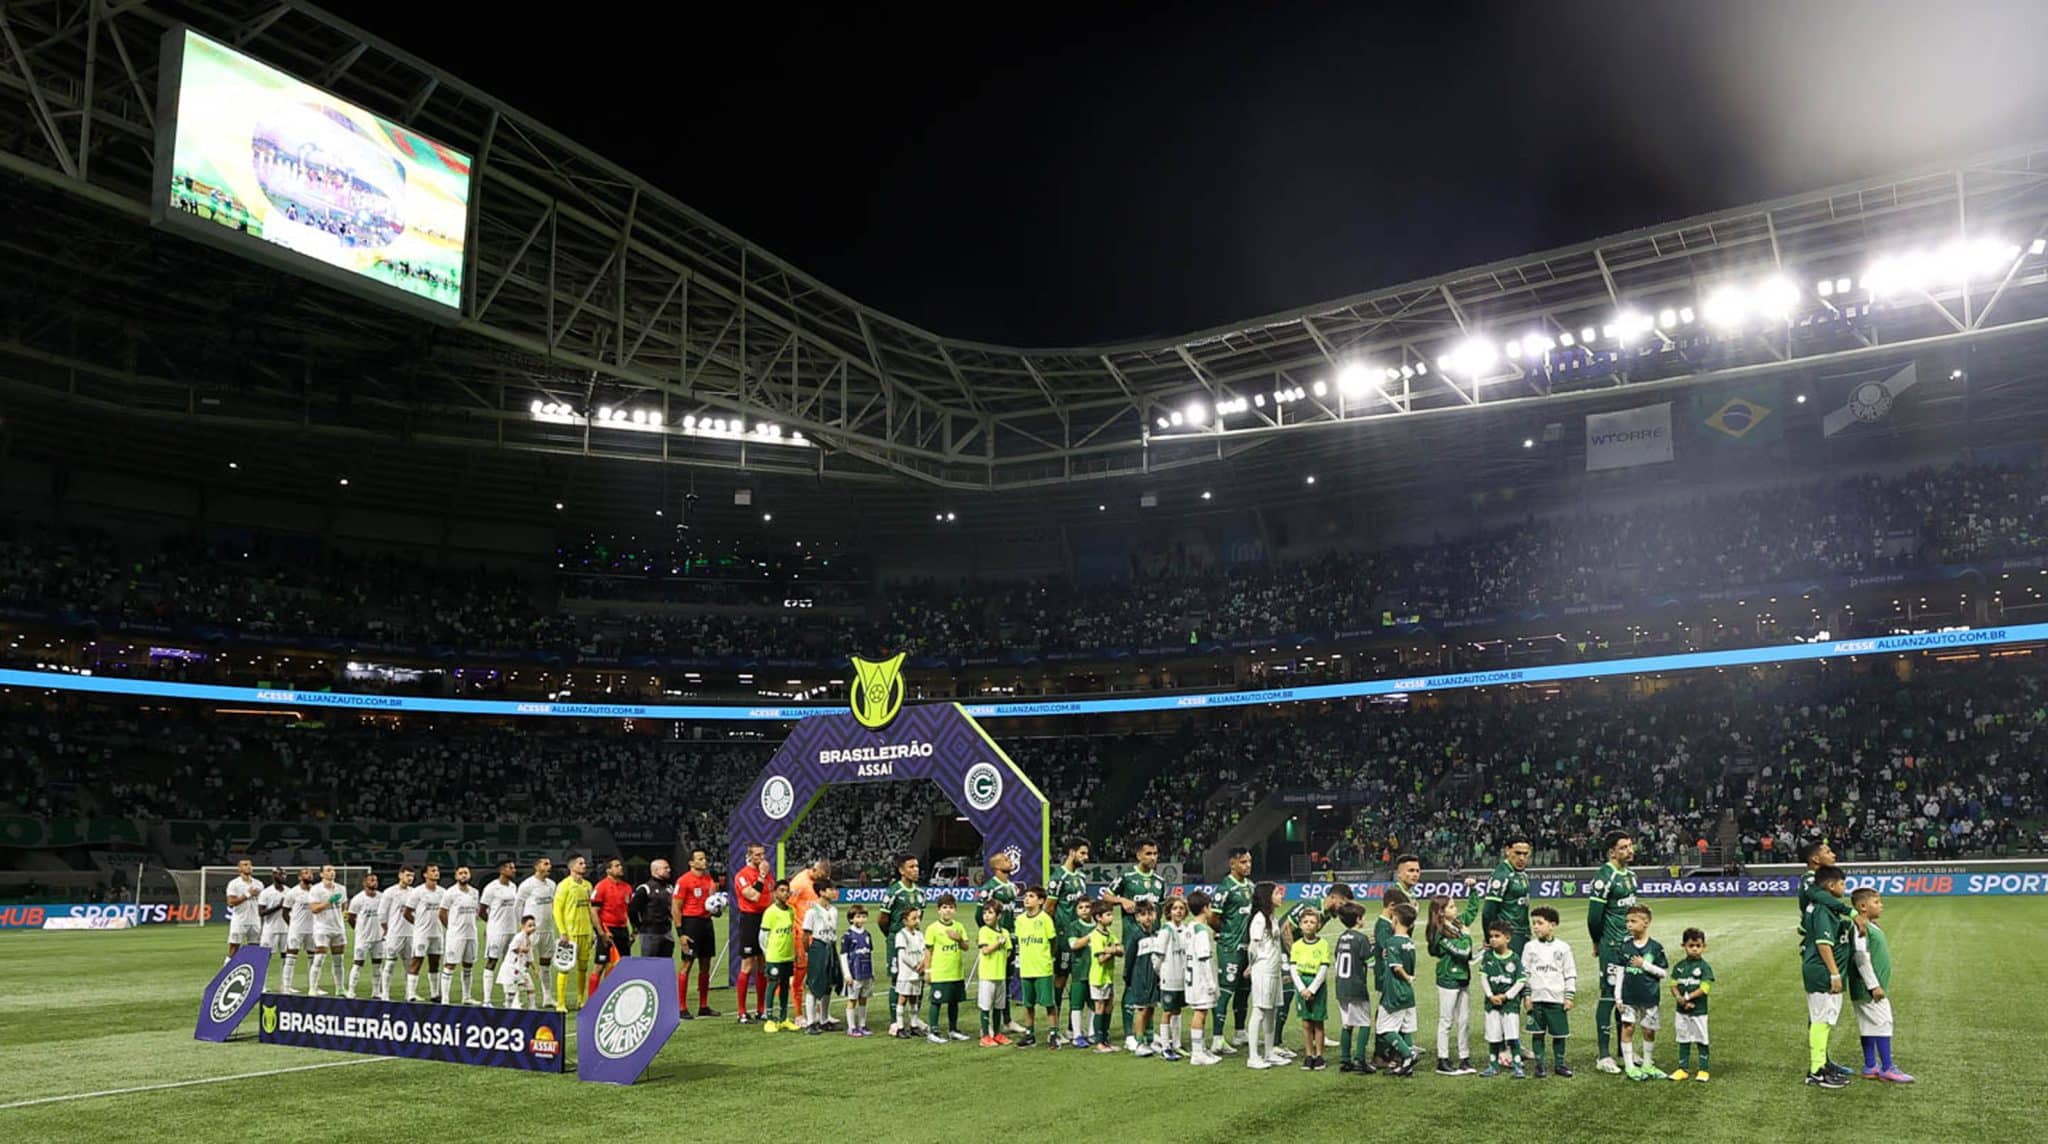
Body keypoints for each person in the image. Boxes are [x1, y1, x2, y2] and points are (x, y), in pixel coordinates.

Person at [1103, 837, 1168, 1050]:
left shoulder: (1159, 881)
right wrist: (1122, 900)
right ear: (1138, 855)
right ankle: (1130, 1034)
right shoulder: (1127, 877)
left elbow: (1162, 908)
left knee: (1152, 984)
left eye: (1155, 854)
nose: (1153, 858)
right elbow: (1106, 895)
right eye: (1148, 853)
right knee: (1132, 983)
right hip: (1134, 938)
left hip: (1155, 939)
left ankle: (1148, 1032)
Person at [1586, 829, 1638, 1073]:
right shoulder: (1604, 877)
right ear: (1612, 852)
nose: (1630, 850)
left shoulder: (1631, 875)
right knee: (1608, 996)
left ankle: (1623, 1048)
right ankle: (1603, 1055)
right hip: (1612, 946)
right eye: (1624, 847)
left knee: (1626, 997)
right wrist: (1598, 942)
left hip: (1628, 945)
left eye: (1630, 846)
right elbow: (1594, 917)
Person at [1849, 888, 1912, 1083]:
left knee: (1868, 1025)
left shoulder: (1869, 925)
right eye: (1876, 902)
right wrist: (1873, 985)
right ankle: (1887, 1067)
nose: (1881, 905)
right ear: (1862, 906)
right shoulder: (1860, 927)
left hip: (1864, 987)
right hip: (1867, 987)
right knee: (1884, 1023)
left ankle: (1870, 1066)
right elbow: (1860, 957)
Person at [1801, 864, 1853, 1089]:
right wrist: (1834, 974)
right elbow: (1823, 943)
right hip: (1821, 971)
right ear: (1831, 886)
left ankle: (1822, 1064)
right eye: (1842, 884)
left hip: (1817, 969)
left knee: (1821, 1020)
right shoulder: (1823, 909)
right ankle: (1816, 1071)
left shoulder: (1820, 906)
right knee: (1821, 1021)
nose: (1845, 888)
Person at [1426, 892, 1483, 1075]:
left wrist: (1473, 890)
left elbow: (1472, 911)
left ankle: (1464, 1057)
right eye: (1451, 906)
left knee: (1464, 1020)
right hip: (1448, 979)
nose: (1455, 909)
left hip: (1462, 977)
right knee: (1446, 1020)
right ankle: (1442, 1060)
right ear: (1441, 912)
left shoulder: (1456, 923)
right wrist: (1466, 936)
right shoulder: (1440, 933)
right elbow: (1463, 951)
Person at [1522, 905, 1577, 1078]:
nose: (1535, 926)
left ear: (1552, 925)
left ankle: (1560, 1064)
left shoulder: (1563, 948)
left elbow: (1570, 973)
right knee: (1537, 1033)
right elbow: (1524, 973)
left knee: (1559, 1034)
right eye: (1533, 923)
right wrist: (1527, 995)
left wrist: (1569, 996)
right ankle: (1540, 1065)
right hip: (1536, 999)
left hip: (1556, 999)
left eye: (1539, 923)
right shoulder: (1530, 947)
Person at [1616, 904, 1669, 1080]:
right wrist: (1618, 996)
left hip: (1649, 996)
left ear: (1646, 923)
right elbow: (1619, 972)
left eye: (1633, 921)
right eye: (1627, 921)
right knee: (1627, 1027)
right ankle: (1630, 1066)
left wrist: (1644, 965)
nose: (1629, 925)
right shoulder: (1625, 947)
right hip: (1628, 996)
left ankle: (1647, 1064)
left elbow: (1663, 973)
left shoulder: (1655, 948)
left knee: (1648, 1030)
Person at [1212, 846, 1256, 1056]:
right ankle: (1217, 1038)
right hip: (1230, 947)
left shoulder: (1251, 886)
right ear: (1232, 863)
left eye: (1249, 861)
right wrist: (1225, 933)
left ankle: (1240, 1032)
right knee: (1225, 991)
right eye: (1243, 862)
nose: (1247, 865)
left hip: (1248, 949)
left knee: (1243, 991)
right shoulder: (1225, 888)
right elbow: (1213, 917)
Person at [1049, 837, 1091, 1043]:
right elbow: (1049, 908)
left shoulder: (1081, 877)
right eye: (1082, 853)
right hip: (1064, 938)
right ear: (1072, 852)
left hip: (1081, 936)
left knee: (1080, 981)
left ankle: (1071, 1027)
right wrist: (1055, 937)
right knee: (1060, 979)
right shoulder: (1058, 877)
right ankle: (1054, 1027)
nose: (1086, 857)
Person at [978, 852, 1023, 1035]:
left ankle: (1007, 1020)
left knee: (1008, 979)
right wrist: (989, 934)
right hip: (996, 939)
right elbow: (979, 914)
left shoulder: (1012, 887)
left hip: (1010, 937)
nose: (1010, 861)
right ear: (996, 867)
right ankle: (988, 1026)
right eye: (1005, 859)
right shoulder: (990, 888)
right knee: (995, 981)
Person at [1376, 901, 1421, 1077]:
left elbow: (1396, 967)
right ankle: (1406, 1065)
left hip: (1395, 991)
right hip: (1408, 993)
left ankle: (1408, 1055)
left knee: (1384, 1029)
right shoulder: (1410, 942)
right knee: (1405, 1028)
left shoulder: (1392, 941)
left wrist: (1406, 976)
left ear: (1395, 920)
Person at [673, 849, 719, 1018]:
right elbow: (676, 908)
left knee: (705, 964)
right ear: (691, 863)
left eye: (705, 858)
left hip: (707, 923)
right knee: (687, 964)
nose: (704, 861)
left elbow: (712, 903)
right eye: (700, 859)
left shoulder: (709, 880)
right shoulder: (684, 881)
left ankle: (704, 1005)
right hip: (691, 923)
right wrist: (681, 933)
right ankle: (681, 1007)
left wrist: (717, 910)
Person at [1479, 923, 1528, 1078]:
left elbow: (1521, 981)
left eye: (1497, 936)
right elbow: (1483, 977)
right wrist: (1490, 996)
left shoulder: (1514, 958)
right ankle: (1493, 1064)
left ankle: (1517, 1064)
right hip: (1491, 1004)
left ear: (1507, 938)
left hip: (1509, 1004)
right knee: (1493, 1035)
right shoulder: (1487, 957)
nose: (1493, 940)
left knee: (1512, 1035)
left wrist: (1506, 996)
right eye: (1491, 936)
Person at [878, 853, 923, 1024]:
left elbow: (919, 918)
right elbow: (882, 920)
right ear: (901, 870)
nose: (916, 870)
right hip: (897, 941)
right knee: (897, 978)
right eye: (911, 867)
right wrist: (893, 936)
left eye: (916, 866)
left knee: (917, 976)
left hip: (915, 940)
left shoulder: (920, 893)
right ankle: (895, 1021)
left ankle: (914, 1019)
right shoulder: (894, 892)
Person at [1244, 880, 1284, 1070]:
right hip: (1264, 970)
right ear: (1268, 897)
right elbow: (1253, 945)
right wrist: (1252, 965)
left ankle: (1269, 1052)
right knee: (1259, 1011)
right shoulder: (1259, 919)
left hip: (1273, 969)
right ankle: (1253, 1056)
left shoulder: (1272, 917)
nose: (1281, 896)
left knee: (1271, 1011)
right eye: (1277, 893)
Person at [551, 855, 599, 1013]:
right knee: (564, 968)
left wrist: (593, 931)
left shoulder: (588, 885)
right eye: (581, 863)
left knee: (583, 968)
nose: (585, 865)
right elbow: (557, 910)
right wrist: (563, 931)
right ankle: (560, 1002)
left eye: (584, 863)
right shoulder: (564, 885)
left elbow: (591, 910)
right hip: (570, 935)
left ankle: (581, 999)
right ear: (572, 867)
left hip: (585, 932)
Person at [1332, 900, 1375, 1074]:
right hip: (1356, 987)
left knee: (1347, 1024)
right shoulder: (1361, 938)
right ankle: (1360, 1059)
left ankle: (1345, 1060)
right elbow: (1371, 963)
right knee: (1364, 1023)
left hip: (1341, 987)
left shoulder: (1342, 937)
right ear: (1358, 919)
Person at [788, 858, 831, 1030]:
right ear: (815, 870)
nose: (824, 879)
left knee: (822, 975)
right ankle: (799, 1014)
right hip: (802, 936)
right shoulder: (799, 883)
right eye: (822, 875)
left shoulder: (819, 886)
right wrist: (795, 932)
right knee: (800, 976)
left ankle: (821, 1013)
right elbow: (789, 906)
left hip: (820, 937)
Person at [732, 843, 773, 1024]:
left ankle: (761, 1009)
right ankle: (741, 1011)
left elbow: (770, 895)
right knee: (747, 964)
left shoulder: (768, 876)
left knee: (763, 964)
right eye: (757, 855)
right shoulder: (742, 876)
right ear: (749, 856)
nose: (761, 859)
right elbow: (753, 896)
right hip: (749, 919)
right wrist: (762, 876)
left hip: (766, 918)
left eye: (762, 855)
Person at [922, 893, 971, 1043]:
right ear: (938, 910)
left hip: (956, 972)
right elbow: (928, 951)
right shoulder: (933, 928)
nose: (947, 911)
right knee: (936, 1001)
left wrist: (959, 939)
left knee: (954, 1001)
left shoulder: (959, 926)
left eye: (951, 907)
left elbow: (966, 947)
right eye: (944, 907)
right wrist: (927, 971)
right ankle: (933, 1031)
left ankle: (953, 1029)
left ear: (955, 910)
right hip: (940, 972)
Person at [1287, 906, 1332, 1071]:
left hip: (1316, 985)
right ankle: (1309, 1055)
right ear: (1300, 925)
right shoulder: (1297, 945)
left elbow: (1323, 968)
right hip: (1302, 984)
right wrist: (1301, 989)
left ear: (1318, 925)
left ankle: (1319, 1055)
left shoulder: (1323, 944)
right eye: (1305, 922)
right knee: (1306, 1022)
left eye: (1312, 922)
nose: (1308, 925)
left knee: (1318, 1022)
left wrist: (1312, 989)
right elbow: (1293, 968)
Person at [1014, 886, 1058, 1047]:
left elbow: (1053, 941)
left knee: (1048, 1003)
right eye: (1026, 896)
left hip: (1042, 968)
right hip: (1026, 968)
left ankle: (1053, 1033)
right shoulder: (1020, 920)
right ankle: (1029, 1034)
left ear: (1040, 901)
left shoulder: (1045, 919)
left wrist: (1048, 958)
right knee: (1028, 1004)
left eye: (1031, 896)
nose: (1026, 899)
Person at [1670, 926, 1714, 1083]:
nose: (1695, 949)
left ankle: (1703, 1069)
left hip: (1699, 1011)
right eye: (1691, 946)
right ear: (1684, 946)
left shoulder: (1704, 967)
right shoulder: (1679, 966)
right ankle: (1682, 1069)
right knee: (1683, 1038)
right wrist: (1679, 998)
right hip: (1681, 1011)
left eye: (1698, 946)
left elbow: (1705, 988)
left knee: (1701, 1039)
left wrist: (1687, 997)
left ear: (1704, 946)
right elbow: (1673, 984)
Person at [799, 878, 842, 1036]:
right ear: (822, 892)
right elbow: (806, 934)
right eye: (830, 889)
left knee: (829, 983)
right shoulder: (812, 911)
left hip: (830, 946)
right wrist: (808, 952)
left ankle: (824, 1019)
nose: (834, 892)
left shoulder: (834, 910)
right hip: (818, 946)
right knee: (814, 984)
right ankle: (811, 1022)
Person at [1183, 890, 1221, 1066]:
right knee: (1200, 1013)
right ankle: (1197, 1053)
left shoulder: (1189, 927)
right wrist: (1211, 983)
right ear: (1206, 908)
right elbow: (1204, 958)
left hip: (1192, 977)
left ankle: (1201, 1048)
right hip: (1200, 979)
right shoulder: (1201, 931)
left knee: (1201, 1012)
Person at [479, 861, 523, 1008]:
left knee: (511, 963)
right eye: (510, 867)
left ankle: (509, 999)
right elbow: (482, 910)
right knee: (492, 962)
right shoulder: (491, 888)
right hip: (497, 931)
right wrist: (492, 924)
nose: (513, 870)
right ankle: (486, 1000)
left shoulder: (513, 887)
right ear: (502, 869)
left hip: (511, 930)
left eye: (513, 867)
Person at [516, 858, 558, 1009]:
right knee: (523, 965)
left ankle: (547, 997)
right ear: (536, 866)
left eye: (549, 863)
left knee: (546, 965)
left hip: (548, 930)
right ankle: (517, 998)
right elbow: (518, 906)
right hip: (532, 932)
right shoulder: (527, 885)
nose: (549, 866)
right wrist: (521, 928)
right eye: (545, 864)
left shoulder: (552, 885)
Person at [1086, 895, 1125, 1054]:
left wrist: (1113, 950)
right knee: (1100, 1007)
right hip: (1098, 977)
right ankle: (1099, 1041)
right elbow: (1101, 959)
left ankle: (1105, 1039)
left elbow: (1120, 950)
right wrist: (1112, 951)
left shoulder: (1109, 934)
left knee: (1109, 1005)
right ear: (1098, 918)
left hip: (1107, 977)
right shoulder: (1095, 936)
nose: (1111, 917)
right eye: (1108, 914)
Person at [1482, 838, 1534, 956]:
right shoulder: (1501, 875)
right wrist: (1490, 937)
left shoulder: (1522, 875)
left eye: (1525, 854)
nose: (1521, 858)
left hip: (1523, 933)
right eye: (1517, 853)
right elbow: (1488, 912)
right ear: (1507, 851)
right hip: (1508, 935)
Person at [406, 863, 449, 1003]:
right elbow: (407, 912)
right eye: (433, 871)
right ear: (425, 874)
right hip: (422, 934)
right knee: (417, 961)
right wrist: (418, 924)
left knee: (435, 963)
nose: (436, 873)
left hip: (437, 933)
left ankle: (435, 994)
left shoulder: (443, 892)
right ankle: (410, 994)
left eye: (437, 870)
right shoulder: (417, 892)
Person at [590, 857, 633, 994]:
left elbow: (628, 911)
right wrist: (601, 932)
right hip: (607, 929)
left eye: (620, 865)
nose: (620, 868)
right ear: (608, 870)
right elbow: (594, 911)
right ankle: (592, 1000)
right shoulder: (601, 886)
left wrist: (632, 929)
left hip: (622, 929)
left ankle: (613, 996)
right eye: (616, 866)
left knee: (622, 965)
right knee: (599, 965)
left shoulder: (627, 887)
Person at [439, 865, 482, 1005]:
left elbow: (476, 911)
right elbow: (442, 913)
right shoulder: (450, 893)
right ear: (456, 876)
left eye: (466, 873)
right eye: (461, 873)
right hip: (455, 935)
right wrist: (450, 927)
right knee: (450, 965)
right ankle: (445, 998)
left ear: (469, 875)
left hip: (471, 934)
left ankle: (467, 996)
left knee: (468, 965)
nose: (463, 875)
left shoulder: (475, 892)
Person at [760, 879, 799, 1032]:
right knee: (772, 984)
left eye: (787, 890)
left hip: (787, 956)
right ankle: (769, 1018)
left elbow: (791, 933)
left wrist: (793, 952)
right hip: (774, 956)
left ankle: (783, 1018)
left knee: (785, 986)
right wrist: (767, 953)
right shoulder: (770, 912)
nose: (785, 893)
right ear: (775, 892)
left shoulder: (791, 911)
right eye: (781, 890)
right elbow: (763, 936)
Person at [976, 899, 1015, 1046]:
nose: (986, 916)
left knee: (999, 1006)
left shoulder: (1004, 932)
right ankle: (985, 1036)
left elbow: (1009, 950)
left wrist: (1005, 950)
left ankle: (998, 1034)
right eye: (985, 912)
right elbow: (985, 950)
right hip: (987, 975)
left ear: (998, 916)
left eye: (990, 913)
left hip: (1000, 974)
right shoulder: (984, 931)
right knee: (986, 1006)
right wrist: (998, 943)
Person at [1155, 895, 1190, 1060]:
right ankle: (1165, 1045)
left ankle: (1177, 1043)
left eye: (1181, 908)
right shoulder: (1165, 930)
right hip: (1168, 977)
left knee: (1177, 1010)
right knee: (1168, 1011)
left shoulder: (1185, 929)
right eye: (1175, 908)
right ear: (1168, 911)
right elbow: (1157, 956)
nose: (1178, 911)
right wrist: (1160, 973)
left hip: (1182, 978)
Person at [307, 865, 347, 997]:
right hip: (322, 928)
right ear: (321, 874)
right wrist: (328, 902)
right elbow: (314, 909)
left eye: (334, 870)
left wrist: (344, 913)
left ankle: (340, 989)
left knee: (339, 960)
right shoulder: (316, 889)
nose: (332, 873)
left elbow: (344, 905)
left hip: (338, 928)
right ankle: (312, 988)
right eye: (328, 871)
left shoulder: (341, 888)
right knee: (319, 958)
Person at [378, 866, 415, 1003]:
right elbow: (382, 914)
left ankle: (409, 994)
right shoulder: (390, 892)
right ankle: (385, 994)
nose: (410, 878)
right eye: (407, 875)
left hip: (411, 934)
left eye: (411, 875)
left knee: (410, 965)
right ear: (400, 876)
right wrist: (387, 929)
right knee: (390, 964)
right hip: (395, 933)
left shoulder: (414, 892)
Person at [1065, 898, 1099, 1048]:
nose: (1085, 909)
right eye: (1081, 907)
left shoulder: (1099, 925)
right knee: (1077, 1004)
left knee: (1093, 1003)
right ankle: (1077, 1034)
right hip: (1079, 971)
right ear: (1076, 910)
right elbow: (1074, 944)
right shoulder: (1074, 926)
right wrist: (1091, 936)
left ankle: (1092, 1032)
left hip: (1096, 971)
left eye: (1087, 907)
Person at [344, 872, 384, 1000]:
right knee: (358, 963)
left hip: (378, 938)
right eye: (371, 880)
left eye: (376, 880)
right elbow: (351, 917)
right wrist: (358, 930)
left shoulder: (382, 897)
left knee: (377, 965)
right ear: (364, 883)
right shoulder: (358, 899)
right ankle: (351, 991)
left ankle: (376, 992)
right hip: (363, 938)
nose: (374, 882)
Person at [631, 858, 677, 964]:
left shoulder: (669, 888)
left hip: (667, 933)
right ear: (656, 870)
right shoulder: (644, 888)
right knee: (649, 966)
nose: (669, 870)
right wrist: (639, 926)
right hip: (650, 933)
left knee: (665, 965)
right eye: (665, 868)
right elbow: (632, 910)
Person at [891, 904, 926, 1039]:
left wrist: (923, 963)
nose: (917, 921)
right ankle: (899, 1027)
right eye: (914, 918)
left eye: (918, 918)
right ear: (905, 921)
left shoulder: (919, 934)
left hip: (917, 973)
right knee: (902, 998)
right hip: (906, 973)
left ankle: (913, 1026)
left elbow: (923, 951)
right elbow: (902, 955)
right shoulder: (901, 935)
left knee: (914, 999)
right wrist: (915, 964)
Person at [841, 904, 876, 1037]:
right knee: (852, 1000)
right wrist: (847, 974)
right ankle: (851, 1027)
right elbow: (844, 955)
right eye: (858, 917)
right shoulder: (848, 935)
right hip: (854, 974)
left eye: (863, 916)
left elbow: (869, 953)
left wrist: (872, 973)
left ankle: (862, 1025)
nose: (861, 919)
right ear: (851, 919)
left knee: (864, 999)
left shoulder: (867, 935)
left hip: (866, 973)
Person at [257, 867, 291, 989]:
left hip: (286, 929)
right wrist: (279, 906)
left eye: (284, 875)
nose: (283, 877)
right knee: (265, 958)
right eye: (281, 874)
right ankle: (262, 985)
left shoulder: (289, 891)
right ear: (274, 875)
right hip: (270, 929)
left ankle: (285, 985)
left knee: (286, 958)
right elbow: (261, 912)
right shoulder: (266, 892)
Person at [282, 867, 314, 995]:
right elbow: (285, 912)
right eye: (306, 873)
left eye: (311, 873)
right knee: (291, 957)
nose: (309, 875)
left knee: (313, 958)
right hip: (297, 929)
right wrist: (293, 926)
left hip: (312, 929)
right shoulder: (292, 892)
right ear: (300, 877)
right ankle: (286, 986)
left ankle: (313, 986)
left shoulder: (316, 891)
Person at [224, 858, 263, 962]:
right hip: (240, 920)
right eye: (245, 865)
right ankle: (225, 972)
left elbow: (262, 903)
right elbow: (231, 902)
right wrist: (248, 894)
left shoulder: (258, 883)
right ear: (239, 868)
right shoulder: (234, 883)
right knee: (234, 948)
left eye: (250, 865)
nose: (249, 867)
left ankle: (250, 972)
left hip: (255, 920)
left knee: (254, 948)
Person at [497, 916, 539, 1009]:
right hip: (512, 968)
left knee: (531, 987)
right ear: (523, 926)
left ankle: (533, 1008)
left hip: (521, 968)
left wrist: (535, 969)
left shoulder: (530, 939)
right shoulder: (519, 937)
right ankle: (508, 1008)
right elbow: (513, 947)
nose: (532, 928)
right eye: (530, 925)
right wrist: (521, 949)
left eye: (533, 925)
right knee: (511, 992)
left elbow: (530, 956)